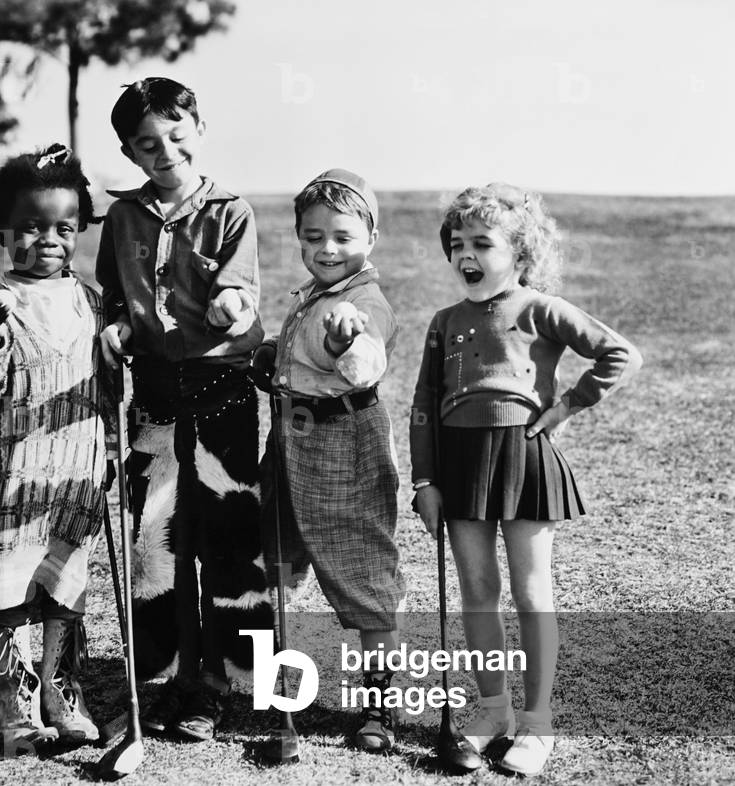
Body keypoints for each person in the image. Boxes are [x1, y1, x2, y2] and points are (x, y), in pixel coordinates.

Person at [410, 183, 643, 775]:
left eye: (482, 244)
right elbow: (422, 404)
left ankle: (537, 726)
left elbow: (619, 354)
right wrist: (424, 481)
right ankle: (494, 712)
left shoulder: (541, 308)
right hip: (458, 465)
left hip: (522, 456)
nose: (466, 254)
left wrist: (564, 406)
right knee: (478, 592)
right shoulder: (443, 323)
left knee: (532, 591)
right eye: (457, 243)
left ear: (519, 254)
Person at [95, 77, 273, 742]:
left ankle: (221, 684)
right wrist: (115, 326)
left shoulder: (231, 210)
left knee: (224, 537)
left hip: (222, 389)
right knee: (156, 540)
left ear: (196, 128)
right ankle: (162, 681)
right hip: (157, 394)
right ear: (129, 151)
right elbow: (114, 296)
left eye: (175, 134)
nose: (163, 149)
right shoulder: (121, 218)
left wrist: (233, 304)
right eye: (146, 143)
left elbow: (239, 292)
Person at [0, 143, 115, 754]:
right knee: (10, 583)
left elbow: (111, 387)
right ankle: (13, 692)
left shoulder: (91, 302)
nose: (49, 239)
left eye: (64, 228)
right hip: (8, 476)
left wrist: (109, 450)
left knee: (65, 583)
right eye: (31, 227)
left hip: (71, 474)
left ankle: (63, 688)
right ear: (3, 231)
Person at [252, 169, 408, 752]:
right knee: (279, 567)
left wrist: (348, 343)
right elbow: (300, 355)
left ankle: (378, 705)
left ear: (371, 234)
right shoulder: (312, 295)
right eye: (313, 237)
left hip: (346, 443)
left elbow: (367, 358)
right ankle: (282, 694)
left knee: (364, 573)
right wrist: (270, 355)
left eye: (342, 235)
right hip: (289, 445)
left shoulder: (364, 302)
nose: (327, 249)